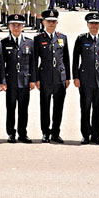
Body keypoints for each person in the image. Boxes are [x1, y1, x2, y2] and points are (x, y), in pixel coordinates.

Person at [72, 12, 99, 145]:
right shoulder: (81, 39)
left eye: (96, 24)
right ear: (87, 25)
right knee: (85, 108)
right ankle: (85, 135)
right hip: (85, 79)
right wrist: (76, 77)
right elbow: (75, 59)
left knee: (98, 108)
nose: (94, 26)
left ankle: (96, 135)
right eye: (91, 23)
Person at [33, 9, 70, 143]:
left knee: (58, 107)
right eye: (49, 21)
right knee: (45, 106)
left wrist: (67, 77)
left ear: (57, 23)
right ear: (43, 22)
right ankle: (45, 132)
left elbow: (66, 59)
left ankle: (55, 132)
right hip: (45, 77)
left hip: (60, 77)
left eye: (53, 22)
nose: (51, 24)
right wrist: (36, 78)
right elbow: (34, 60)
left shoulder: (62, 38)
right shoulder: (38, 39)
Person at [1, 13, 35, 143]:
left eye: (19, 25)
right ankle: (11, 133)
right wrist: (3, 81)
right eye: (13, 25)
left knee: (23, 109)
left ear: (23, 26)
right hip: (11, 81)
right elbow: (2, 64)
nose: (16, 27)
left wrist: (32, 80)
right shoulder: (4, 43)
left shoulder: (29, 42)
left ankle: (22, 133)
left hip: (25, 81)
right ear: (9, 27)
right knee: (10, 108)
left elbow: (32, 63)